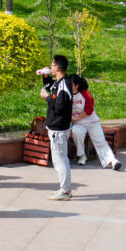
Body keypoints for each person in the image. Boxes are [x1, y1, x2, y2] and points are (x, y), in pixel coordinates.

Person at [69, 74, 121, 170]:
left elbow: (88, 111)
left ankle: (112, 161)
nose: (67, 86)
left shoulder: (85, 94)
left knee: (100, 140)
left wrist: (75, 119)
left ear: (77, 85)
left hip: (91, 121)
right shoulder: (67, 95)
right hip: (78, 123)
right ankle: (81, 156)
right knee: (77, 132)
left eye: (70, 84)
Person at [41, 55, 74, 201]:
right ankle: (64, 188)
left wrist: (47, 98)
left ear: (58, 68)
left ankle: (65, 191)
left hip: (59, 129)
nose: (51, 66)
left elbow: (60, 107)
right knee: (60, 159)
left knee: (60, 160)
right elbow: (51, 88)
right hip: (56, 127)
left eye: (52, 65)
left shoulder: (64, 84)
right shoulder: (60, 82)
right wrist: (46, 77)